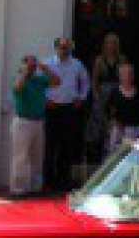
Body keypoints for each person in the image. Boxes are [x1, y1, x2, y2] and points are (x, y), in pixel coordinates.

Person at [43, 36, 90, 190]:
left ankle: (63, 181)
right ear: (56, 48)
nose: (65, 50)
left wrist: (81, 98)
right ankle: (48, 182)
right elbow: (39, 84)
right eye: (62, 47)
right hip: (52, 109)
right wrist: (44, 100)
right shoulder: (47, 64)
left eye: (67, 47)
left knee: (67, 145)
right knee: (50, 146)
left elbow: (86, 82)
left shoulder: (77, 64)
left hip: (69, 109)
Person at [10, 54, 59, 195]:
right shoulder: (19, 78)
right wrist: (26, 72)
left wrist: (45, 69)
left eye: (33, 64)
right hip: (23, 122)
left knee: (37, 157)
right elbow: (18, 88)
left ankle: (35, 187)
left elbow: (57, 81)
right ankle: (18, 189)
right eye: (29, 64)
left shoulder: (40, 79)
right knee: (21, 157)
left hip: (39, 121)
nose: (32, 67)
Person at [87, 32, 124, 159]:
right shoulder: (99, 60)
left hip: (116, 94)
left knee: (115, 125)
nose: (111, 46)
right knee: (100, 126)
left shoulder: (122, 59)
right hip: (103, 95)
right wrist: (96, 96)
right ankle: (97, 157)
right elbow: (94, 80)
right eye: (108, 43)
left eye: (113, 43)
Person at [104, 60, 139, 154]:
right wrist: (114, 122)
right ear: (120, 76)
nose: (127, 76)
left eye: (130, 74)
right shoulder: (114, 93)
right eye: (124, 74)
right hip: (118, 131)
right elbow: (108, 110)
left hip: (135, 130)